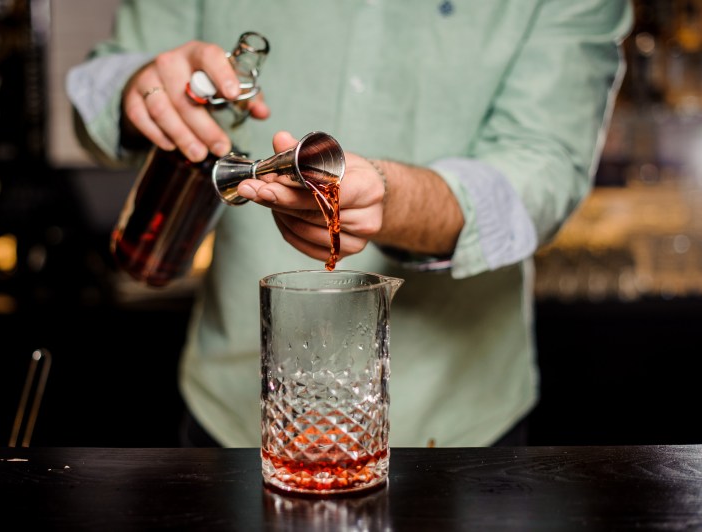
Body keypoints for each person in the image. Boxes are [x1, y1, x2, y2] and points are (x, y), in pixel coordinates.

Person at [66, 0, 633, 448]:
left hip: (456, 428)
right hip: (234, 417)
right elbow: (105, 85)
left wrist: (396, 200)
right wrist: (140, 87)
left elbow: (543, 169)